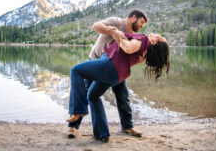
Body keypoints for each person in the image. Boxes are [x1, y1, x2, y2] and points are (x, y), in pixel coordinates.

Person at [67, 32, 170, 142]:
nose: (157, 33)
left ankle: (77, 110)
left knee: (76, 71)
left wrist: (116, 32)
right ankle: (102, 134)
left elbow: (128, 48)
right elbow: (129, 58)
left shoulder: (143, 39)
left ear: (154, 41)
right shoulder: (144, 52)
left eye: (160, 37)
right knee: (92, 96)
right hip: (118, 76)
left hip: (109, 64)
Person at [67, 10, 147, 138]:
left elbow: (129, 57)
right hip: (96, 62)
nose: (142, 25)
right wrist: (112, 31)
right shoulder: (117, 22)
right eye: (142, 22)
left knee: (123, 96)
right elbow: (96, 26)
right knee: (85, 93)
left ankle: (127, 127)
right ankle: (73, 127)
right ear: (133, 17)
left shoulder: (132, 36)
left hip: (116, 68)